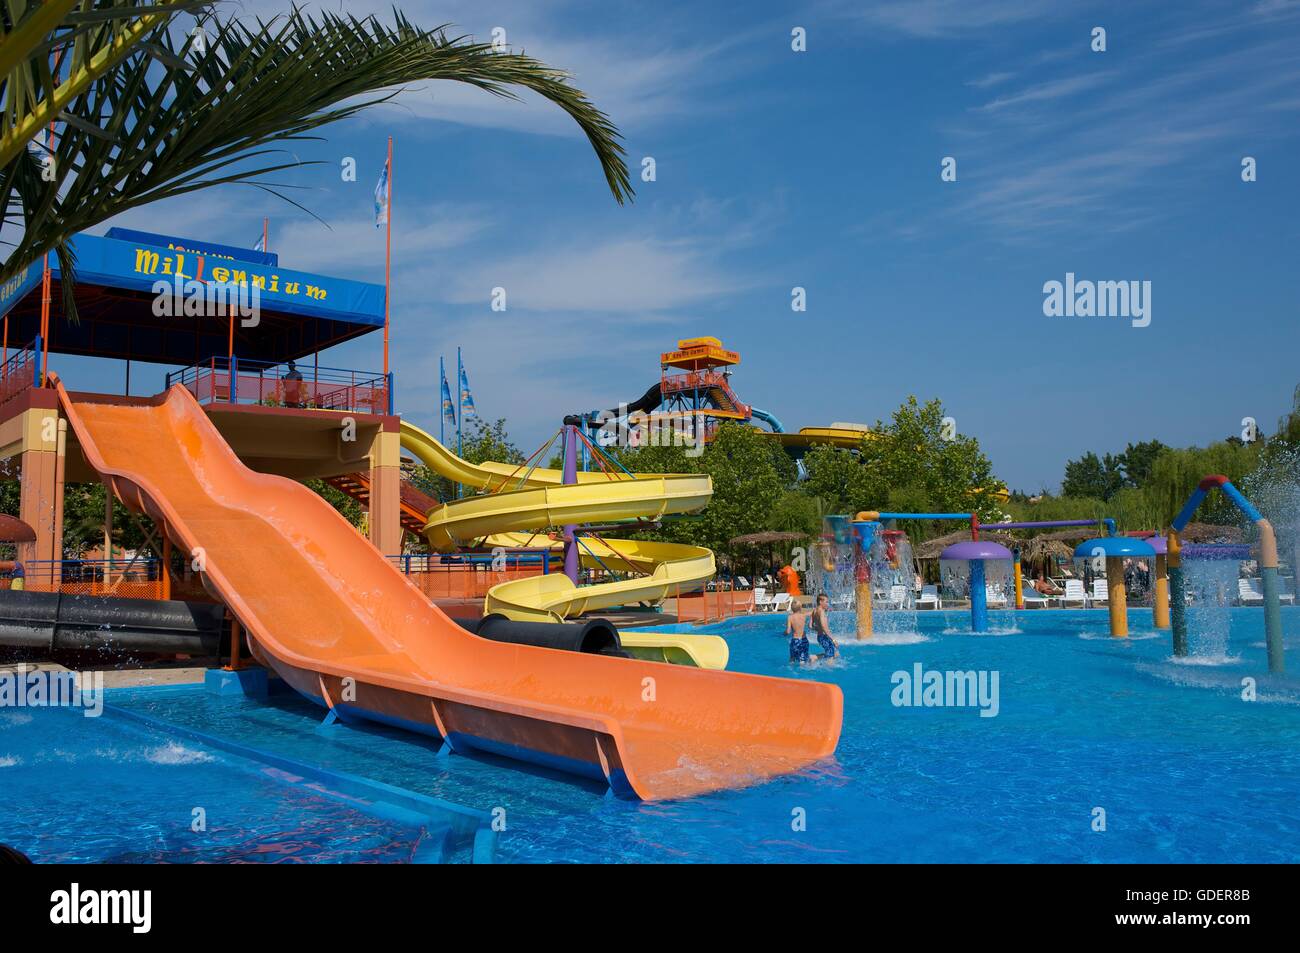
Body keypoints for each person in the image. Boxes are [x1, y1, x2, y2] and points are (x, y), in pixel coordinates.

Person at [810, 592, 838, 659]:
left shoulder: (814, 611)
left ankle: (814, 657)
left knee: (835, 653)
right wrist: (833, 639)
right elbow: (824, 627)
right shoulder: (821, 612)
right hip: (824, 636)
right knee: (831, 656)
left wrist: (818, 629)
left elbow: (810, 626)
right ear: (820, 602)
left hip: (820, 636)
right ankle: (815, 658)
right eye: (826, 602)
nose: (827, 604)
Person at [785, 599, 810, 664]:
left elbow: (788, 631)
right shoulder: (804, 615)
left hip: (795, 640)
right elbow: (812, 612)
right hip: (804, 640)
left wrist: (784, 633)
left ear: (792, 609)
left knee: (792, 658)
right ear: (800, 608)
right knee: (803, 659)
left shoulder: (790, 617)